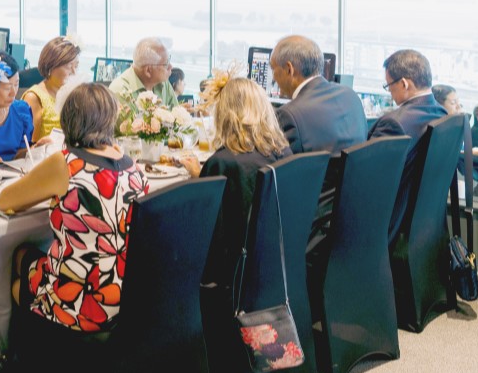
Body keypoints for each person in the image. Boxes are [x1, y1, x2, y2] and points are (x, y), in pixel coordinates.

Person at [0, 83, 148, 332]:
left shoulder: (66, 163)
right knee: (30, 260)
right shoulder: (133, 167)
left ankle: (17, 357)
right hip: (126, 295)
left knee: (17, 262)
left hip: (82, 302)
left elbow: (6, 201)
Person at [180, 75, 293, 282]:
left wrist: (202, 179)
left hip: (229, 274)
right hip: (272, 265)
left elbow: (207, 232)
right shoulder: (283, 152)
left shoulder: (223, 162)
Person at [368, 49, 448, 239]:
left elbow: (368, 181)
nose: (390, 93)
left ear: (404, 83)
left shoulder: (395, 123)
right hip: (427, 227)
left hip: (390, 228)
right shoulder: (442, 115)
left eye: (389, 86)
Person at [270, 35, 367, 154]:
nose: (273, 78)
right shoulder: (351, 96)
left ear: (289, 69)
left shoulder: (290, 115)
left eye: (273, 69)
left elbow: (284, 166)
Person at [22, 35, 81, 142]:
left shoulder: (72, 94)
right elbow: (29, 145)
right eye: (68, 66)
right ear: (51, 66)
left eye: (76, 66)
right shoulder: (34, 97)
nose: (74, 72)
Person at [108, 37, 179, 108]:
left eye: (169, 60)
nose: (171, 67)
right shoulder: (120, 91)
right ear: (148, 71)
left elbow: (174, 113)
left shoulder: (162, 82)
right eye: (165, 64)